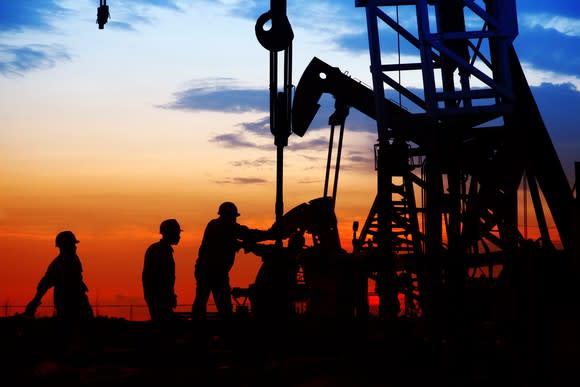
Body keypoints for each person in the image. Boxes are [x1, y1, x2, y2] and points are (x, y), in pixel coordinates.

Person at [191, 202, 274, 319]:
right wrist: (270, 234)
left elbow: (235, 239)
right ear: (229, 216)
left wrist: (243, 244)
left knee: (201, 300)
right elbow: (247, 234)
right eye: (234, 217)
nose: (235, 220)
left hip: (207, 270)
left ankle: (199, 327)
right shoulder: (226, 226)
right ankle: (222, 331)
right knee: (223, 305)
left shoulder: (214, 225)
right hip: (215, 272)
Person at [24, 230, 94, 354]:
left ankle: (82, 351)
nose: (75, 247)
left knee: (86, 326)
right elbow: (44, 283)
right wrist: (35, 301)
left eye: (74, 244)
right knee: (68, 328)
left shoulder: (74, 259)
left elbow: (77, 278)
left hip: (78, 298)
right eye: (72, 244)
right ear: (64, 246)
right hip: (66, 300)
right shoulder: (59, 264)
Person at [142, 218, 182, 323]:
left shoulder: (159, 250)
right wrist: (167, 296)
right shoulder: (160, 251)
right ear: (170, 233)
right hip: (158, 299)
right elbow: (159, 279)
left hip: (158, 298)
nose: (179, 236)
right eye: (177, 233)